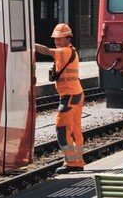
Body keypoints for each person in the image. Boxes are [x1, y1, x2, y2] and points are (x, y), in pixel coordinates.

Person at [34, 23, 86, 172]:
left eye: (60, 38)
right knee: (74, 129)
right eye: (55, 38)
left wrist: (30, 44)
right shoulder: (71, 50)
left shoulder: (65, 51)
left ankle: (71, 163)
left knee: (61, 128)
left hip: (70, 96)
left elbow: (46, 51)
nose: (57, 41)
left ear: (68, 38)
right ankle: (77, 161)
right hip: (76, 94)